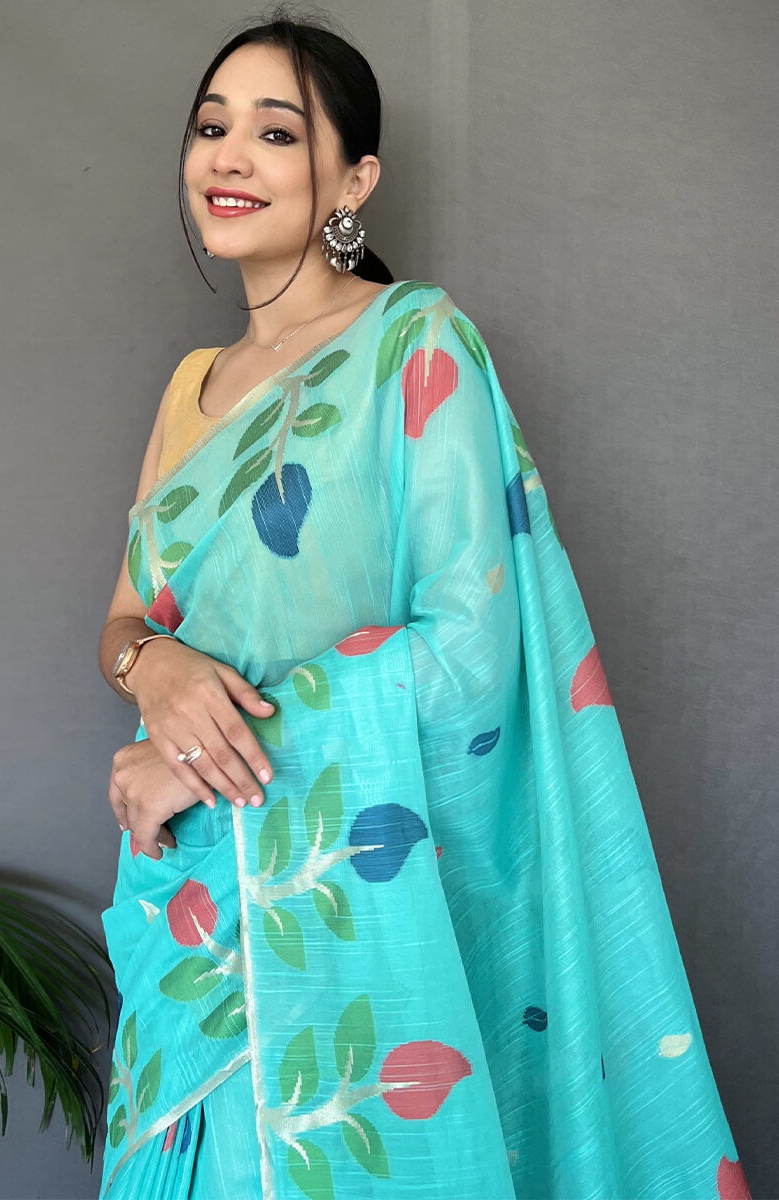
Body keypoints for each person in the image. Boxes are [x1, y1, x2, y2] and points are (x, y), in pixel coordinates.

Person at [96, 10, 751, 1200]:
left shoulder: (414, 343)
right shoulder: (190, 387)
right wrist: (157, 671)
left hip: (334, 893)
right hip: (184, 900)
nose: (228, 156)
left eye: (275, 132)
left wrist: (189, 760)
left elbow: (467, 658)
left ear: (354, 179)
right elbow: (127, 622)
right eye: (210, 127)